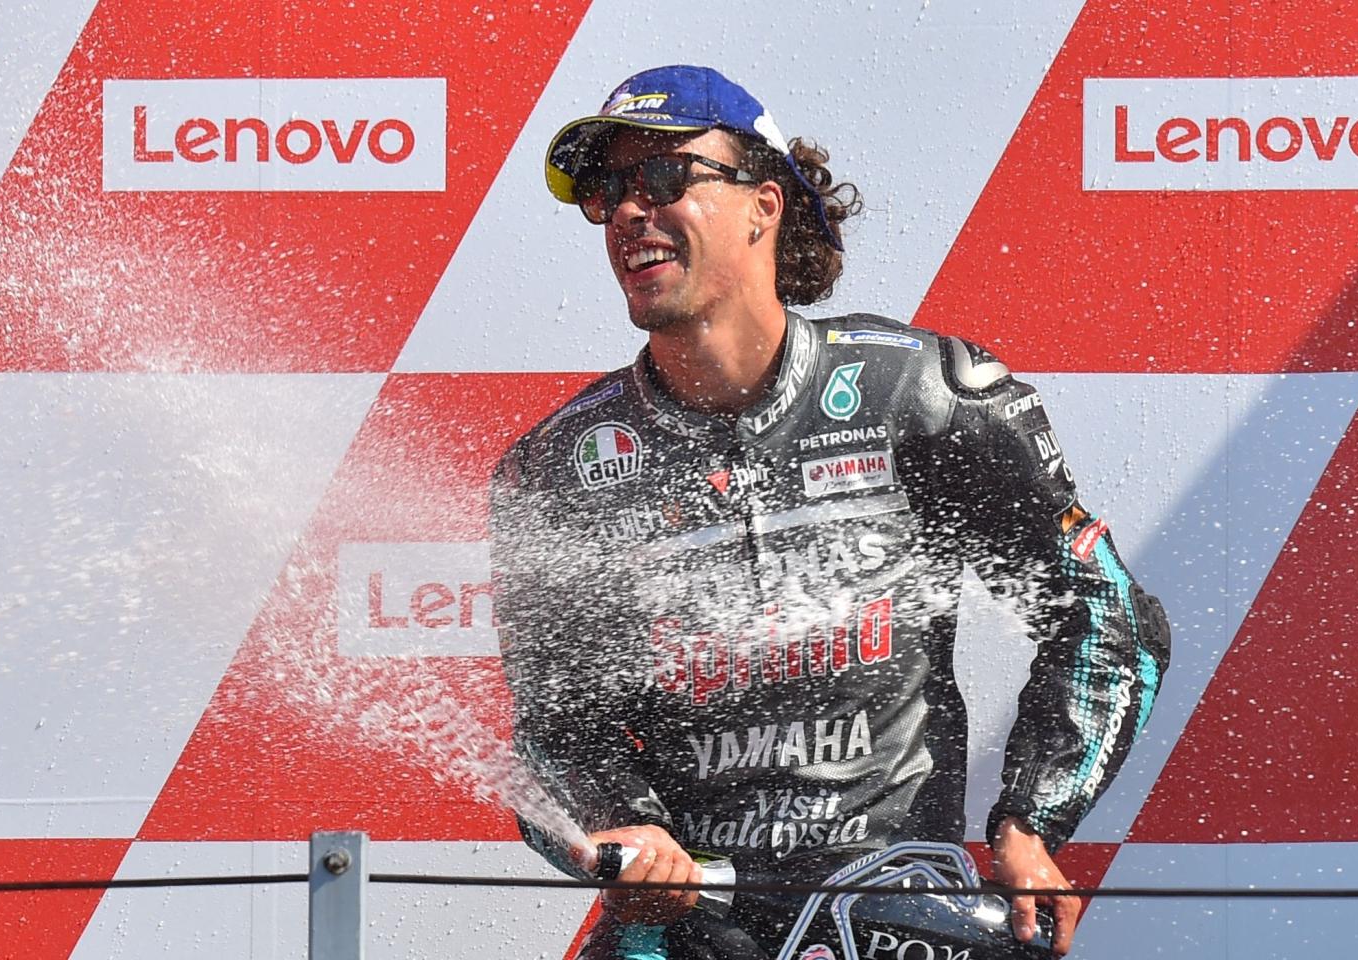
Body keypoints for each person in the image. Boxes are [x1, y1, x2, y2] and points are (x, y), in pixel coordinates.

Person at [487, 64, 1170, 959]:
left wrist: (1031, 823)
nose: (627, 211)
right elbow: (551, 731)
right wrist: (625, 827)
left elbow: (1103, 612)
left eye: (664, 179)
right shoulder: (557, 469)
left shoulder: (919, 393)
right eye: (609, 190)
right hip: (686, 926)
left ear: (763, 206)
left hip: (892, 909)